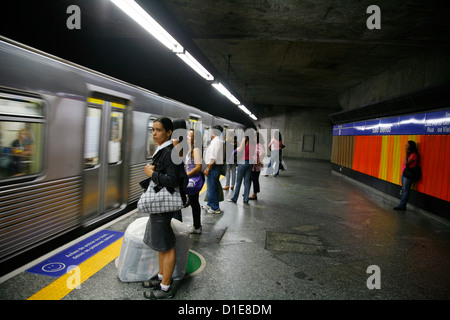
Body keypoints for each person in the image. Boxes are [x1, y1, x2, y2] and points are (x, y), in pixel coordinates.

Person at [142, 117, 181, 300]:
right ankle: (160, 277)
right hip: (159, 203)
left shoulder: (169, 152)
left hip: (163, 205)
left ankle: (166, 288)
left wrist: (152, 174)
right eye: (153, 129)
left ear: (169, 132)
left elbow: (173, 180)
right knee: (161, 244)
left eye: (158, 130)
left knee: (166, 245)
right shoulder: (163, 150)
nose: (154, 133)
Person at [228, 129, 256, 204]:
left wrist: (236, 149)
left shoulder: (245, 139)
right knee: (247, 182)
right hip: (250, 162)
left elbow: (240, 149)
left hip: (243, 161)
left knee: (238, 181)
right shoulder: (254, 141)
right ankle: (246, 199)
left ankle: (234, 198)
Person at [202, 125, 224, 214]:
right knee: (211, 187)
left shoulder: (216, 142)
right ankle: (210, 203)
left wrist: (207, 168)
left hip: (213, 167)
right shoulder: (218, 141)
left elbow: (213, 157)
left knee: (212, 188)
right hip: (214, 166)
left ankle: (215, 207)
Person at [185, 129, 203, 233]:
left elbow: (198, 167)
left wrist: (186, 175)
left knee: (194, 203)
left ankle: (197, 226)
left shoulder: (195, 150)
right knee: (193, 202)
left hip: (193, 180)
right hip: (191, 179)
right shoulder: (191, 149)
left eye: (189, 135)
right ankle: (197, 225)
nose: (187, 137)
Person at [394, 140, 420, 211]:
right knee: (404, 189)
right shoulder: (409, 154)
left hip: (408, 175)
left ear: (410, 146)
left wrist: (405, 153)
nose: (405, 146)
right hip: (404, 174)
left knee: (406, 190)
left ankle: (402, 205)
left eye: (407, 145)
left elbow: (406, 163)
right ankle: (402, 205)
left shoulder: (413, 155)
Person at [172, 118, 187, 222]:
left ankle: (177, 227)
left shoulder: (175, 140)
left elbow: (177, 155)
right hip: (181, 170)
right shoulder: (185, 139)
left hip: (177, 171)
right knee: (177, 201)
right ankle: (178, 225)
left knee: (175, 201)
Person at [249, 132, 266, 200]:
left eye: (255, 137)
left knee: (255, 179)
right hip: (254, 165)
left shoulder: (260, 145)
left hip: (256, 166)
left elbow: (263, 153)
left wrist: (258, 162)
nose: (253, 138)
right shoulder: (256, 144)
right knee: (251, 179)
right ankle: (250, 192)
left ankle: (254, 194)